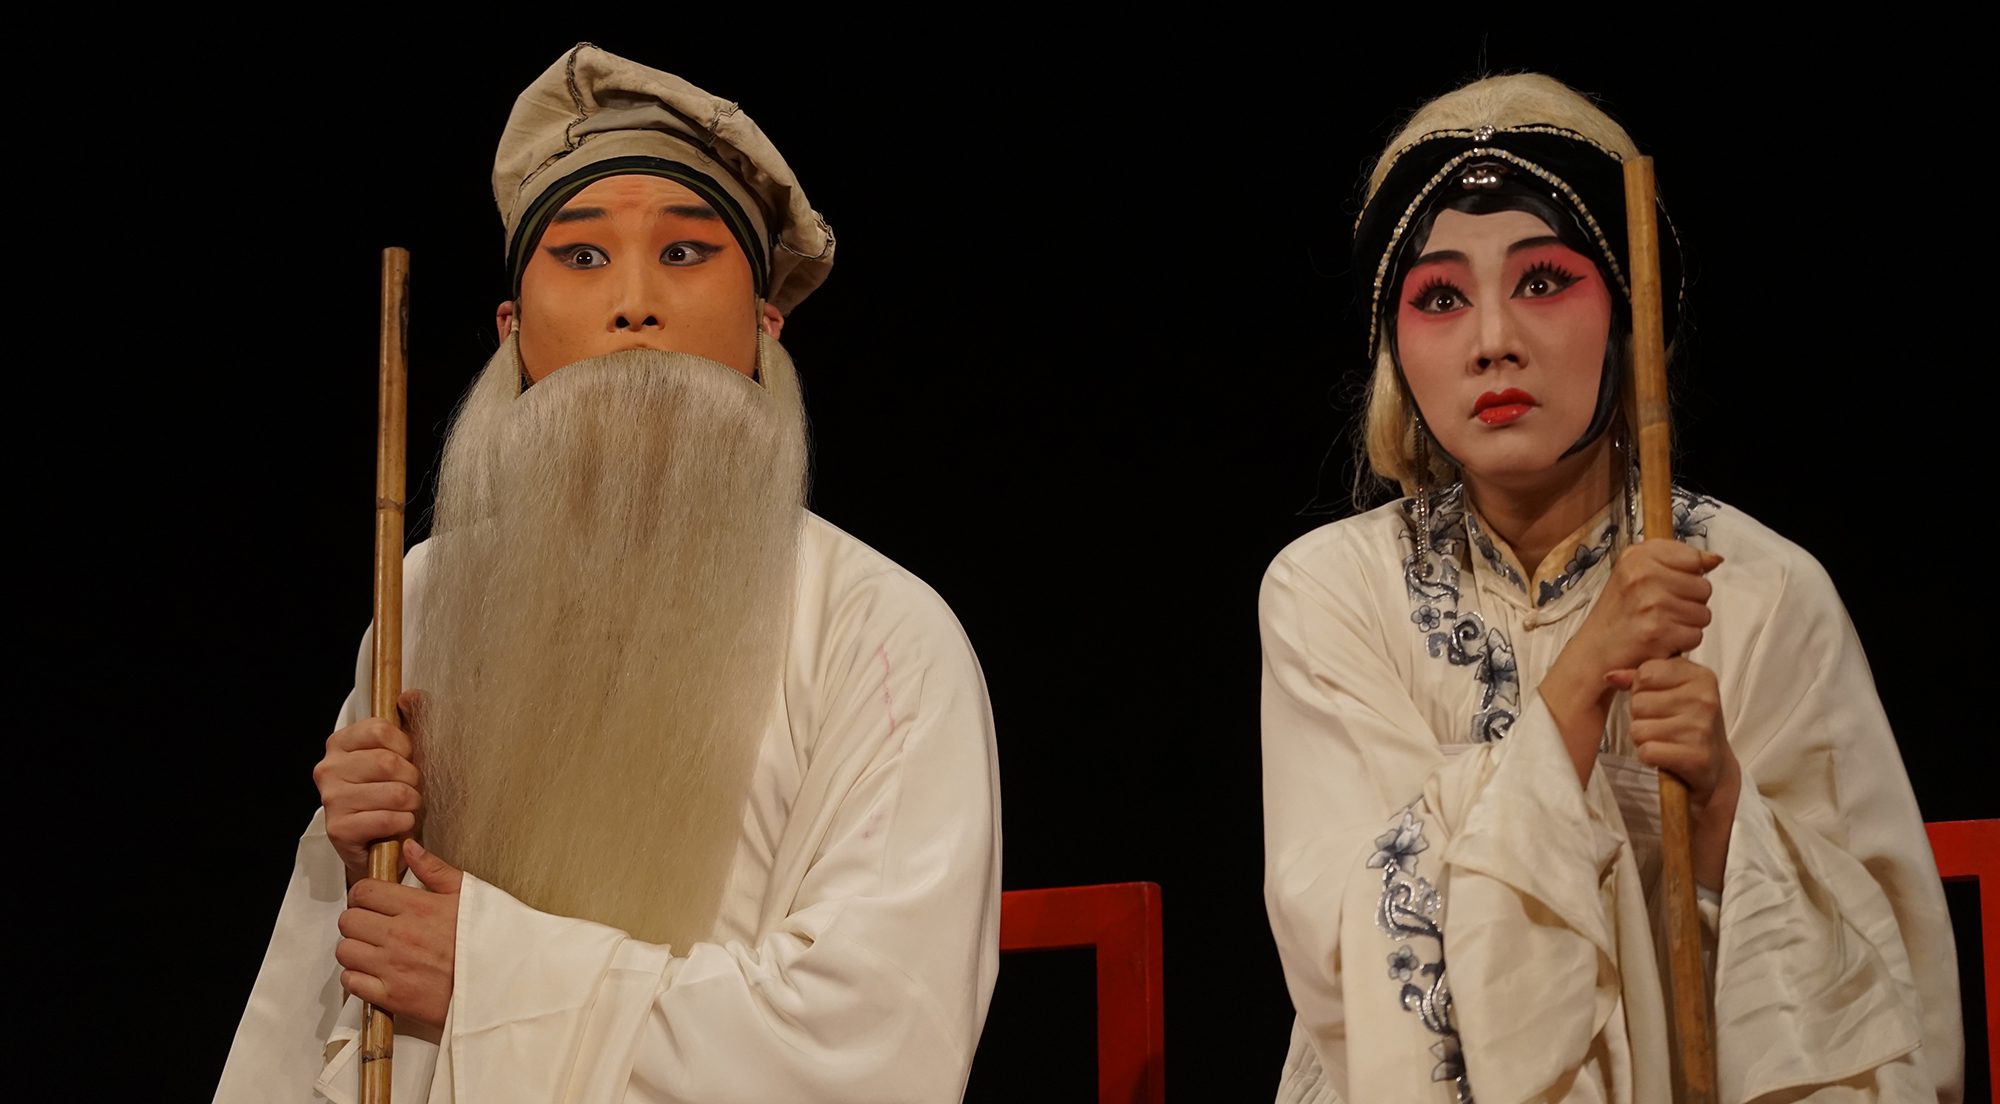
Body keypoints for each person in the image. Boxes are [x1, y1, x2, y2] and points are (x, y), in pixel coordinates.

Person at [216, 43, 1001, 1103]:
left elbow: (876, 1038)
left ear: (764, 326)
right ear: (513, 333)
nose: (633, 302)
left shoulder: (878, 632)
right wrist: (368, 859)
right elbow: (339, 1002)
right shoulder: (432, 596)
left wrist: (489, 976)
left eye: (685, 253)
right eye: (582, 257)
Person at [1260, 73, 1962, 1102]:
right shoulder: (1332, 592)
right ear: (1393, 347)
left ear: (1628, 315)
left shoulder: (1760, 592)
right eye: (1440, 298)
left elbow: (1894, 1006)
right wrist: (1580, 684)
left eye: (1543, 281)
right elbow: (1344, 944)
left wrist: (1723, 814)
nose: (1493, 340)